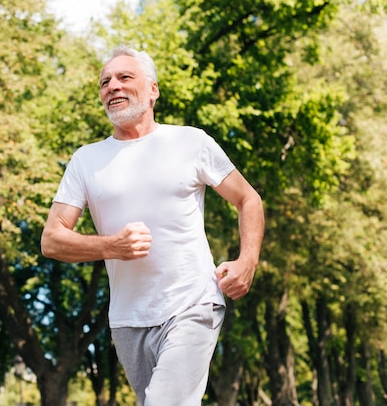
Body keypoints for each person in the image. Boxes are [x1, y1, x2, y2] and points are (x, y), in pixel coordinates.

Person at [41, 44, 264, 405]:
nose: (112, 86)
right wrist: (111, 246)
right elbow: (52, 240)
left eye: (125, 77)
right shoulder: (86, 160)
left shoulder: (190, 142)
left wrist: (247, 260)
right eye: (104, 82)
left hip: (192, 303)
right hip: (128, 320)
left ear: (153, 89)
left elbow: (248, 199)